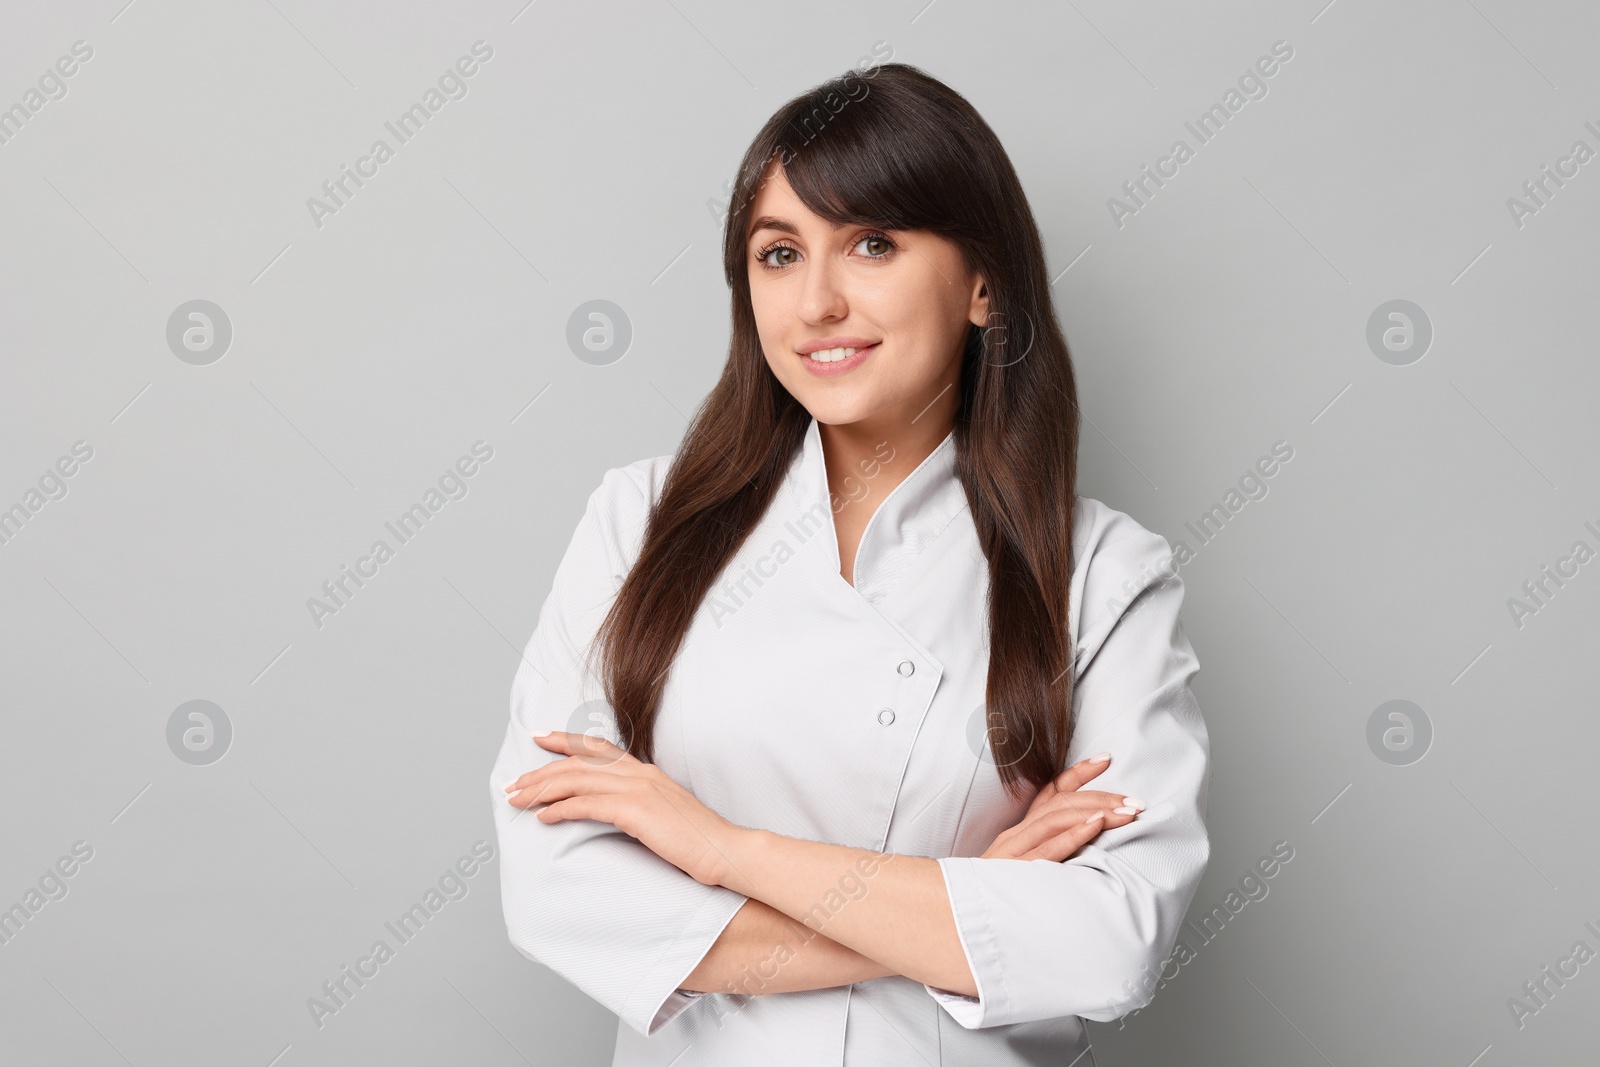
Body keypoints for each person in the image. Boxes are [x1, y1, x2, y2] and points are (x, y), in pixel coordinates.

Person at [489, 62, 1210, 1066]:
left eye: (871, 243)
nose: (818, 300)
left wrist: (721, 849)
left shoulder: (1099, 572)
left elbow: (1109, 944)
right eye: (779, 253)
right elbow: (556, 886)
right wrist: (961, 900)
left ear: (982, 283)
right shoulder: (639, 523)